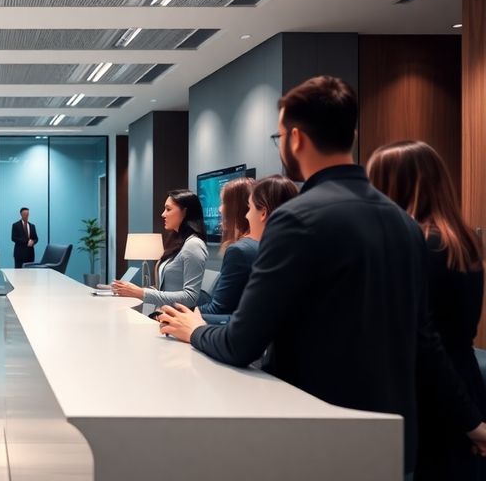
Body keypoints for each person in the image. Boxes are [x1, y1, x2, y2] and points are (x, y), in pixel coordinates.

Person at [156, 76, 486, 473]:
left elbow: (242, 341)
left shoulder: (296, 219)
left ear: (296, 139)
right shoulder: (402, 222)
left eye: (279, 138)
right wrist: (470, 421)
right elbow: (423, 339)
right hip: (392, 437)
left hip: (320, 430)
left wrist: (194, 329)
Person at [368, 141, 486, 480]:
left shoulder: (416, 246)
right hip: (461, 387)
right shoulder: (460, 244)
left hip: (430, 399)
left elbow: (423, 342)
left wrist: (469, 421)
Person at [197, 176, 298, 324]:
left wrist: (186, 316)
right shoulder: (288, 253)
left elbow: (226, 312)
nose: (220, 209)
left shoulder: (241, 251)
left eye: (224, 202)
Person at [111, 189, 208, 310]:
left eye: (168, 209)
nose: (163, 214)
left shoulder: (193, 245)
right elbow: (166, 288)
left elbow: (190, 297)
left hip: (177, 321)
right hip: (163, 315)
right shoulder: (178, 242)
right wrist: (131, 290)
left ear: (185, 212)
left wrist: (142, 293)